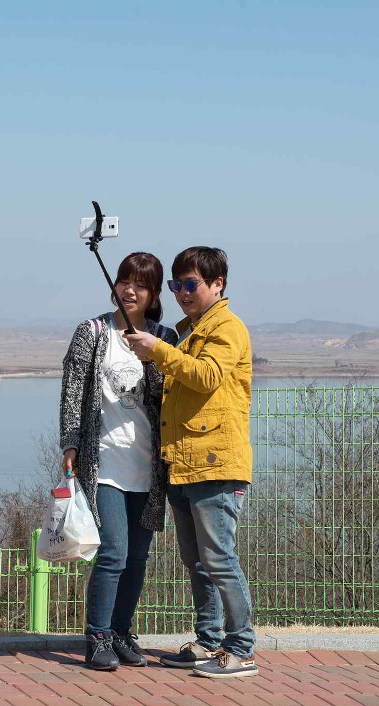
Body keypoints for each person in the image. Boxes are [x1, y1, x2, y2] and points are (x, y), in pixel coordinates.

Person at [124, 246, 257, 678]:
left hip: (216, 465)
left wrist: (159, 352)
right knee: (197, 561)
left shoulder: (227, 328)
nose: (182, 293)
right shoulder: (191, 329)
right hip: (183, 462)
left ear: (218, 284)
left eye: (191, 284)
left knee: (219, 559)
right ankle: (209, 640)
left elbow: (205, 377)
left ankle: (241, 649)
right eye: (176, 285)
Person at [60, 252, 179, 671]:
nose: (130, 290)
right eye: (125, 281)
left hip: (149, 467)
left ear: (153, 293)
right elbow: (73, 389)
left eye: (141, 285)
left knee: (139, 557)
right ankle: (97, 636)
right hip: (104, 462)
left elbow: (170, 393)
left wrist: (154, 357)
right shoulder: (92, 332)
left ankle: (124, 632)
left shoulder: (164, 336)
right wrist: (70, 443)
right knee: (113, 552)